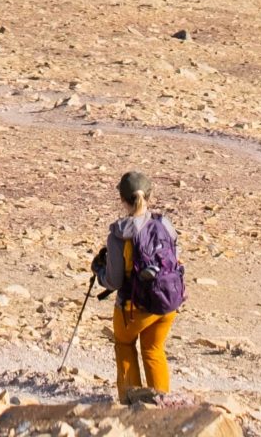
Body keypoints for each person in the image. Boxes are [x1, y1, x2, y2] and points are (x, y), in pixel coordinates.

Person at [91, 171, 185, 401]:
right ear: (149, 196)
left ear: (123, 200)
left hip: (135, 308)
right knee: (153, 350)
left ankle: (131, 403)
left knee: (124, 344)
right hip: (168, 303)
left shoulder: (119, 235)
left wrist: (99, 272)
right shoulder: (165, 224)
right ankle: (161, 403)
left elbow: (114, 280)